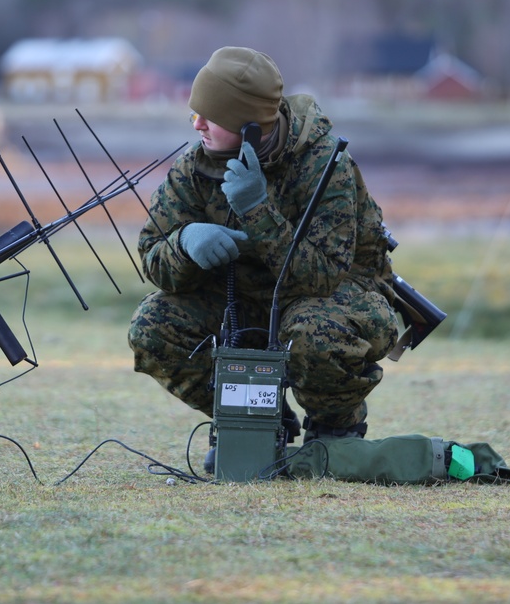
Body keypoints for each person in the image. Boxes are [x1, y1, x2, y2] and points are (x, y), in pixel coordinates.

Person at [127, 46, 400, 444]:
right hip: (241, 305)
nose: (197, 125)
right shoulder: (194, 167)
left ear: (252, 127)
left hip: (335, 301)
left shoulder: (325, 165)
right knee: (152, 326)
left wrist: (258, 210)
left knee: (313, 331)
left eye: (212, 117)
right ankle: (252, 418)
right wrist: (185, 243)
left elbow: (322, 277)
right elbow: (152, 257)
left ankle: (335, 425)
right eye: (195, 113)